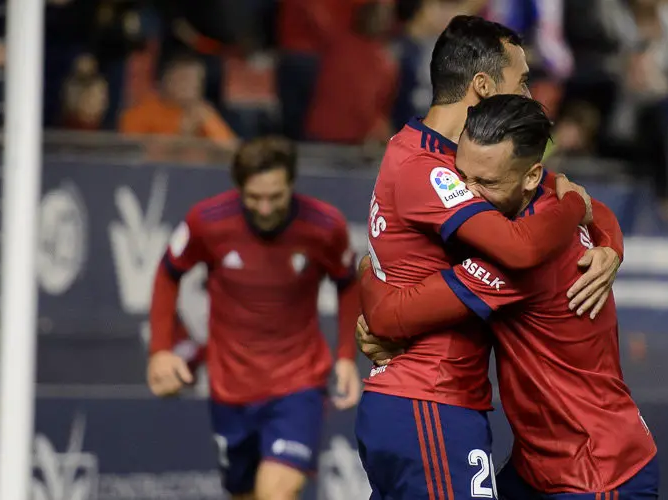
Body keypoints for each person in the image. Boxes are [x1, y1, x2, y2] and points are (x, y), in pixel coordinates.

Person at [356, 15, 625, 499]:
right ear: (482, 85)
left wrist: (608, 244)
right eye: (521, 81)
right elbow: (523, 246)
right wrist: (574, 208)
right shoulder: (427, 168)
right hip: (429, 398)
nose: (528, 94)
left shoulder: (474, 159)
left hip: (426, 400)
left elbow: (579, 202)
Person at [146, 137, 362, 500]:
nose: (265, 208)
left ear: (291, 184)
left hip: (298, 386)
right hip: (230, 391)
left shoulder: (325, 226)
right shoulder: (207, 221)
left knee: (275, 493)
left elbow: (348, 284)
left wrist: (344, 356)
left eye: (275, 197)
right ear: (239, 188)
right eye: (254, 197)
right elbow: (168, 274)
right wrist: (160, 351)